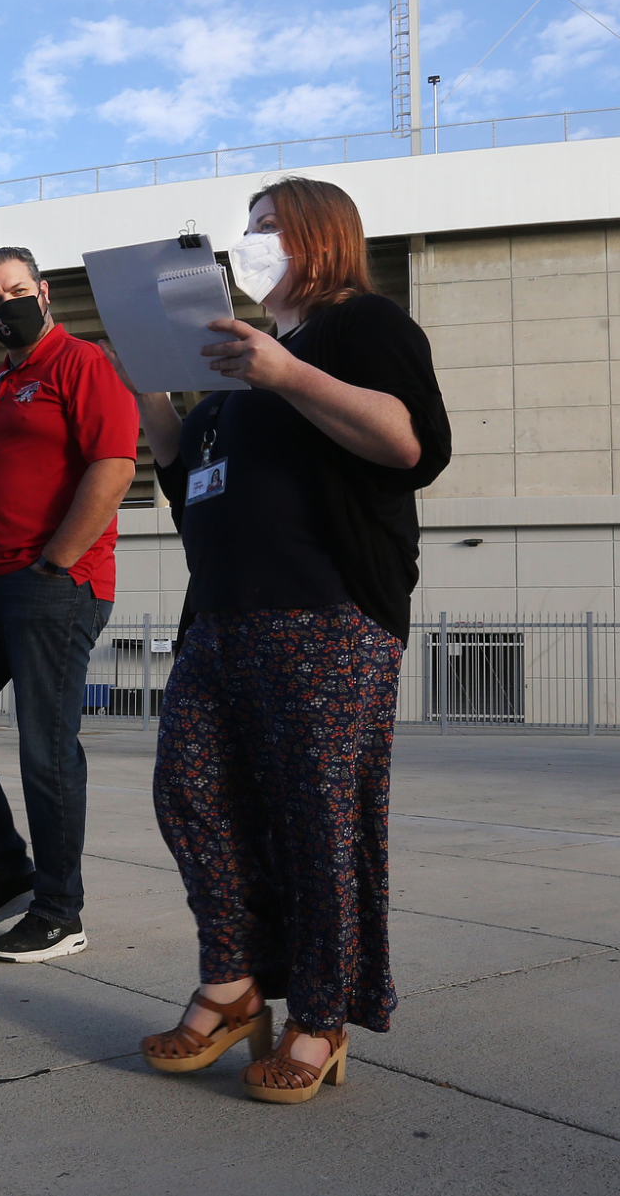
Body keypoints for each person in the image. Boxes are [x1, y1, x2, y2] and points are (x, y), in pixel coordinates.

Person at [118, 177, 451, 1103]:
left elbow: (411, 442)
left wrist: (286, 373)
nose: (253, 244)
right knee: (190, 795)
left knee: (316, 822)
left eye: (270, 228)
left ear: (321, 237)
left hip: (326, 613)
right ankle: (232, 985)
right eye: (249, 230)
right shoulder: (241, 363)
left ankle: (318, 1014)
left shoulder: (360, 326)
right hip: (220, 617)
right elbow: (193, 485)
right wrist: (152, 395)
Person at [0, 246, 141, 963]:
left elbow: (115, 463)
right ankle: (6, 870)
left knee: (44, 746)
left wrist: (56, 562)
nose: (2, 305)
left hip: (52, 585)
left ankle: (59, 908)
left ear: (42, 291)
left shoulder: (80, 363)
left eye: (15, 290)